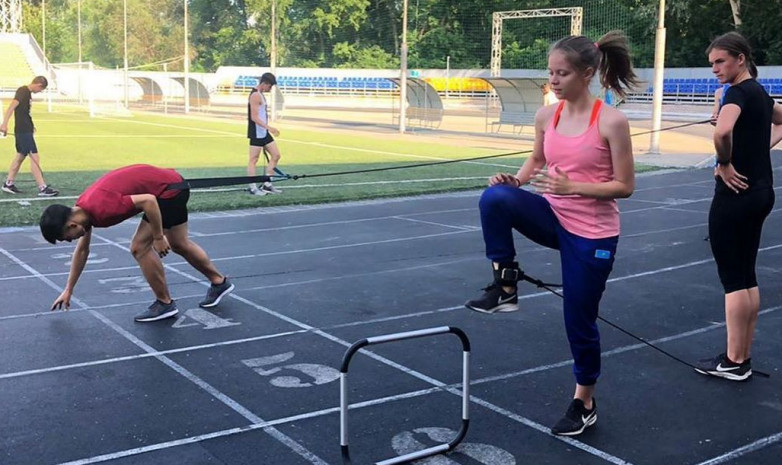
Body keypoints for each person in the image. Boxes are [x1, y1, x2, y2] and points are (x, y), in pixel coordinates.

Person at [465, 32, 638, 436]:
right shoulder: (548, 115)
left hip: (593, 235)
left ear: (588, 73)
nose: (554, 81)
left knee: (578, 317)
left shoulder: (611, 120)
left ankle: (584, 400)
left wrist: (574, 187)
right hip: (553, 216)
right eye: (551, 73)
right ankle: (504, 287)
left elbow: (626, 186)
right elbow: (539, 158)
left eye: (562, 73)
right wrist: (516, 181)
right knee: (495, 198)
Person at [39, 164, 234, 322]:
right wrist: (68, 289)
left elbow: (149, 201)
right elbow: (82, 251)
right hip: (172, 185)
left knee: (139, 247)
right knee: (179, 243)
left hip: (168, 191)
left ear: (71, 225)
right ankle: (219, 282)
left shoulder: (101, 208)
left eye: (66, 237)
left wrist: (158, 237)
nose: (71, 240)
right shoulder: (83, 212)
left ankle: (164, 303)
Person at [694, 32, 782, 381]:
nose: (715, 68)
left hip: (735, 197)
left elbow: (722, 132)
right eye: (712, 63)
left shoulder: (736, 92)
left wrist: (724, 162)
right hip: (761, 192)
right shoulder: (759, 93)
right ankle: (741, 357)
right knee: (746, 275)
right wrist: (759, 149)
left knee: (733, 279)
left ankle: (732, 360)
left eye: (720, 61)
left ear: (741, 59)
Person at [0, 76, 59, 197]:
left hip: (26, 130)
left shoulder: (28, 94)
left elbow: (25, 113)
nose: (39, 92)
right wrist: (4, 124)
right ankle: (42, 188)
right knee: (34, 157)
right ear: (38, 85)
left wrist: (31, 125)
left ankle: (8, 184)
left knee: (20, 157)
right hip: (23, 131)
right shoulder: (23, 91)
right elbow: (11, 107)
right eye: (41, 89)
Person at [247, 72, 283, 196]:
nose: (270, 89)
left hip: (264, 132)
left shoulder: (261, 95)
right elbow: (254, 117)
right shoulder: (255, 95)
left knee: (276, 155)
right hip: (256, 133)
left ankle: (267, 184)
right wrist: (270, 127)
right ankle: (252, 187)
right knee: (253, 160)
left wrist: (267, 129)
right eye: (270, 86)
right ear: (264, 83)